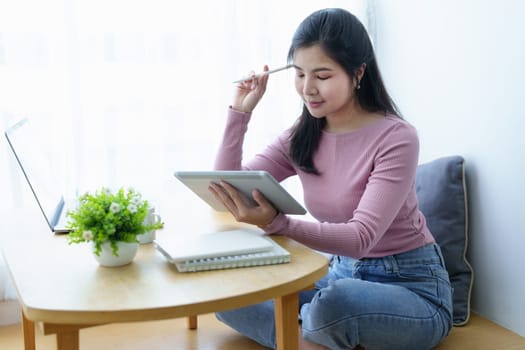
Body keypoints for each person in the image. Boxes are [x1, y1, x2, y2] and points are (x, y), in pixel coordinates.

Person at [208, 7, 453, 350]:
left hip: (411, 288)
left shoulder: (396, 137)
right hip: (338, 277)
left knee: (334, 306)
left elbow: (360, 239)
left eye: (322, 76)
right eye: (299, 74)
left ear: (358, 73)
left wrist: (278, 223)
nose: (308, 89)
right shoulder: (303, 134)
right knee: (228, 295)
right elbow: (227, 188)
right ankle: (319, 339)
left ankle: (314, 333)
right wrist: (240, 113)